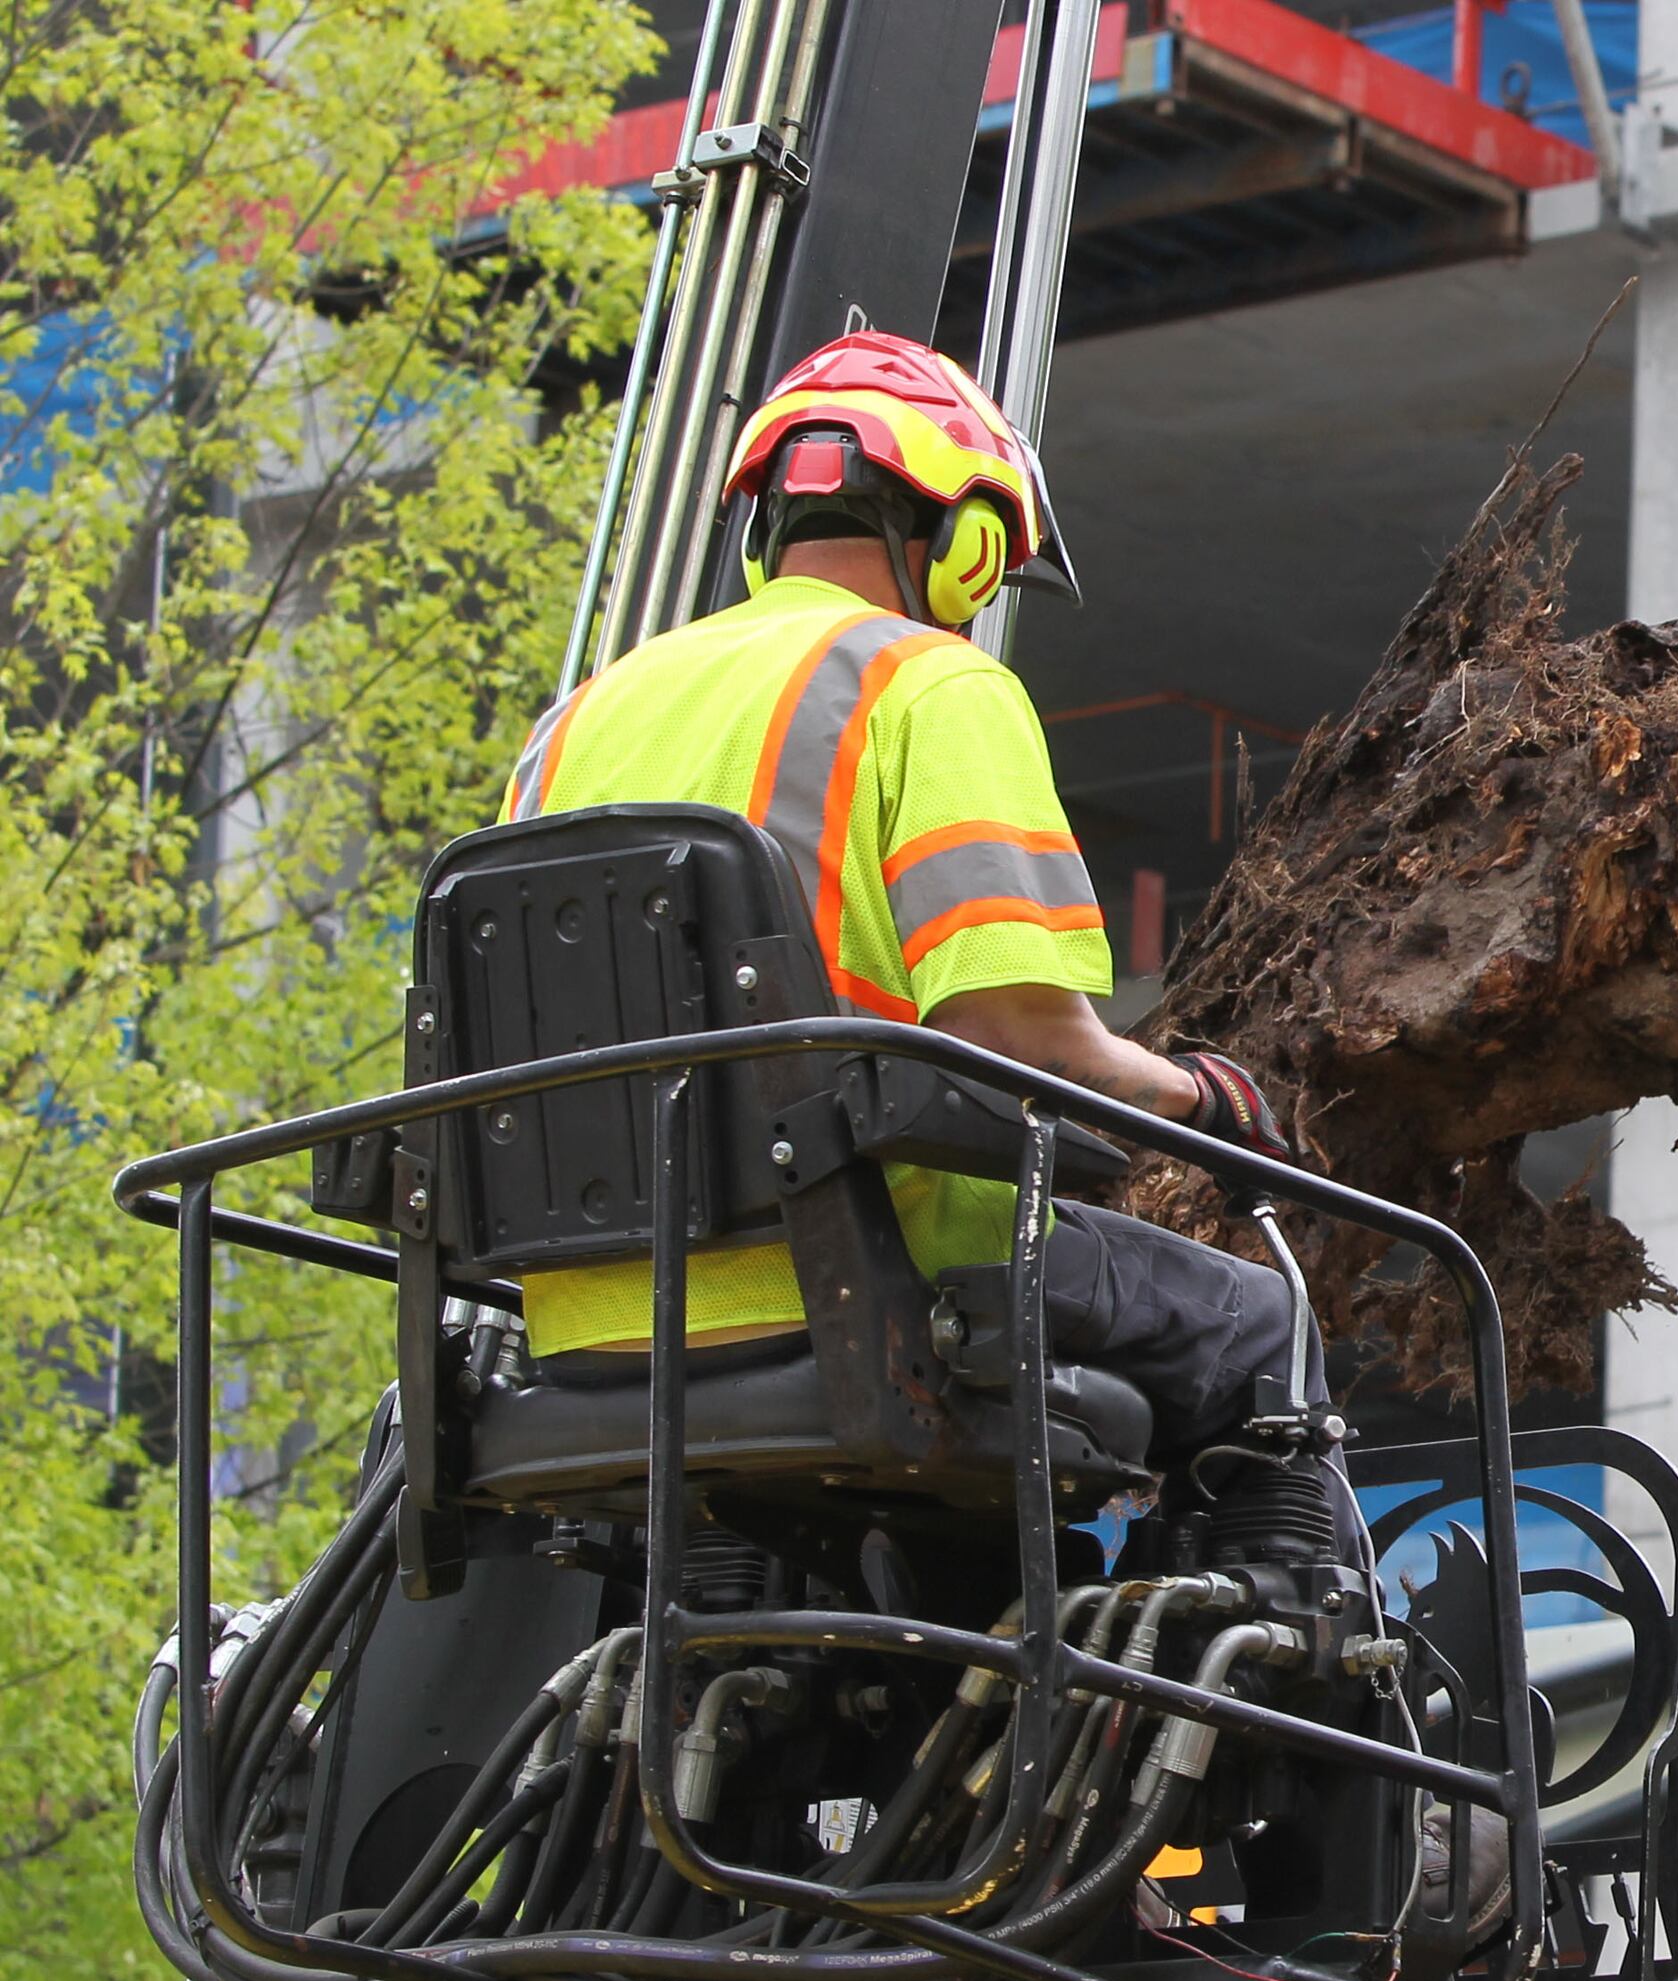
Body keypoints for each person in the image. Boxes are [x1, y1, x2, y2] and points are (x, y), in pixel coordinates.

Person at [498, 331, 1307, 1455]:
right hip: (863, 1287)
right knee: (1266, 1329)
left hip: (577, 1333)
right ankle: (1239, 1631)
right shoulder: (929, 684)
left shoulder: (571, 723)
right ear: (969, 548)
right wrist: (1208, 1101)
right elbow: (1028, 1042)